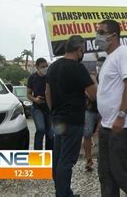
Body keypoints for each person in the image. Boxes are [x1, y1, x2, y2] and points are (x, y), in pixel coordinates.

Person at [95, 19, 127, 197]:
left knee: (121, 174)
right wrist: (104, 121)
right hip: (108, 125)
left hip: (123, 126)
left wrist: (121, 115)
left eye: (101, 32)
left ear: (114, 35)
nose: (98, 36)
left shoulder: (124, 53)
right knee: (106, 174)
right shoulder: (111, 58)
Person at [45, 35, 97, 197]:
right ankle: (63, 194)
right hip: (73, 120)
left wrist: (53, 110)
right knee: (67, 160)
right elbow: (94, 94)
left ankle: (63, 191)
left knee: (58, 157)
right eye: (83, 51)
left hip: (58, 119)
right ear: (79, 50)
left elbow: (48, 92)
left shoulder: (53, 67)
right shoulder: (77, 68)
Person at [83, 56, 105, 171]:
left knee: (102, 135)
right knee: (87, 134)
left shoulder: (109, 78)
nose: (99, 67)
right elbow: (91, 95)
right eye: (98, 65)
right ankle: (88, 159)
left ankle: (103, 160)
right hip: (91, 109)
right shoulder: (92, 78)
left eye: (102, 65)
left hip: (104, 111)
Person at [27, 57, 53, 150]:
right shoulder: (32, 78)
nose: (45, 68)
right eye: (42, 67)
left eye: (46, 66)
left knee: (50, 132)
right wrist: (35, 99)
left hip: (49, 108)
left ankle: (50, 156)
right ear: (37, 67)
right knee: (41, 129)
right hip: (37, 107)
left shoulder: (50, 76)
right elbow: (28, 94)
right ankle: (38, 155)